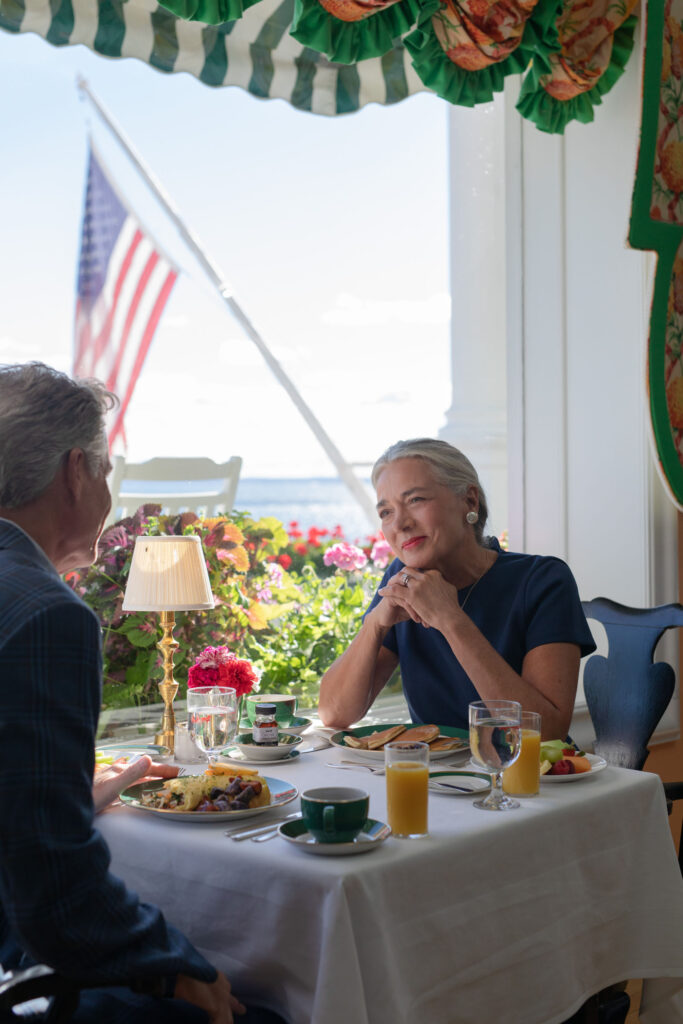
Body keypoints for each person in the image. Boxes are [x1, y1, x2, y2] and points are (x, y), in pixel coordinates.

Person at [0, 362, 284, 1024]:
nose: (109, 490)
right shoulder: (44, 612)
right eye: (105, 471)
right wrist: (178, 966)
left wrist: (78, 795)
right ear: (75, 472)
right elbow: (55, 895)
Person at [318, 438, 596, 740]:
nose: (400, 523)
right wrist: (374, 625)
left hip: (533, 780)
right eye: (386, 512)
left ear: (470, 501)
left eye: (415, 500)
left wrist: (450, 621)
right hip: (440, 782)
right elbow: (335, 714)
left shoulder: (542, 580)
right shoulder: (402, 580)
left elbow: (545, 733)